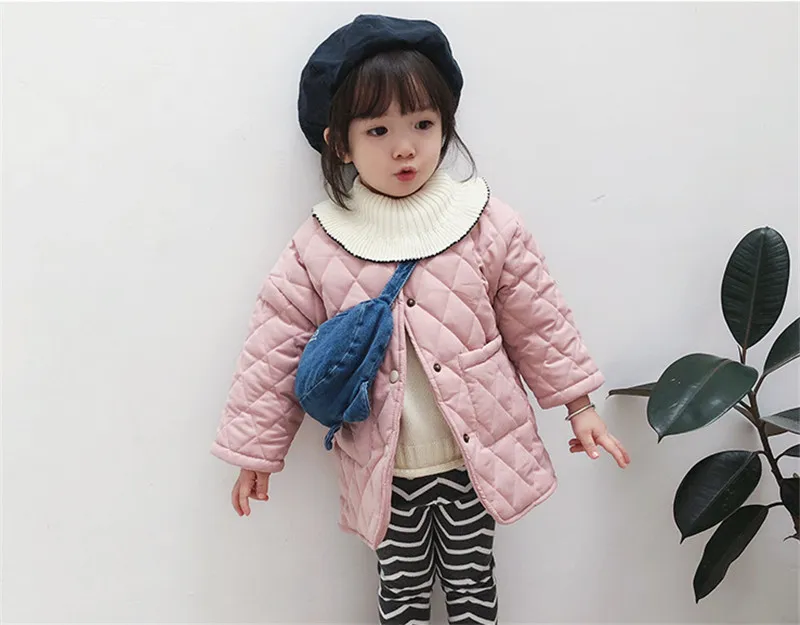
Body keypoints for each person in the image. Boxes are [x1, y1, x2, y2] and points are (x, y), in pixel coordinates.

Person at [211, 13, 630, 625]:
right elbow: (274, 347)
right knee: (400, 596)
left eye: (423, 124)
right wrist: (256, 451)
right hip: (384, 469)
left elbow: (539, 322)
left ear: (445, 125)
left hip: (476, 460)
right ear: (340, 143)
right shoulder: (319, 244)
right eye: (378, 129)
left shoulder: (486, 222)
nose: (404, 147)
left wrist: (579, 406)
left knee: (473, 587)